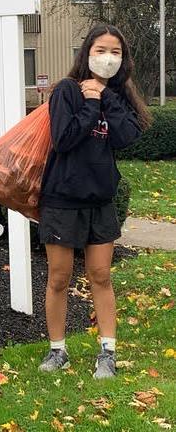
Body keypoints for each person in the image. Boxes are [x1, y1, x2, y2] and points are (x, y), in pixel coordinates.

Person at [36, 23, 153, 379]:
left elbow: (126, 136)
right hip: (61, 200)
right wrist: (89, 103)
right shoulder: (66, 91)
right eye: (101, 50)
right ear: (86, 53)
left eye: (116, 52)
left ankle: (108, 352)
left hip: (100, 201)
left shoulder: (118, 95)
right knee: (59, 277)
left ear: (124, 60)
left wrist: (105, 98)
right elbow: (64, 139)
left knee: (101, 275)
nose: (108, 58)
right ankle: (58, 350)